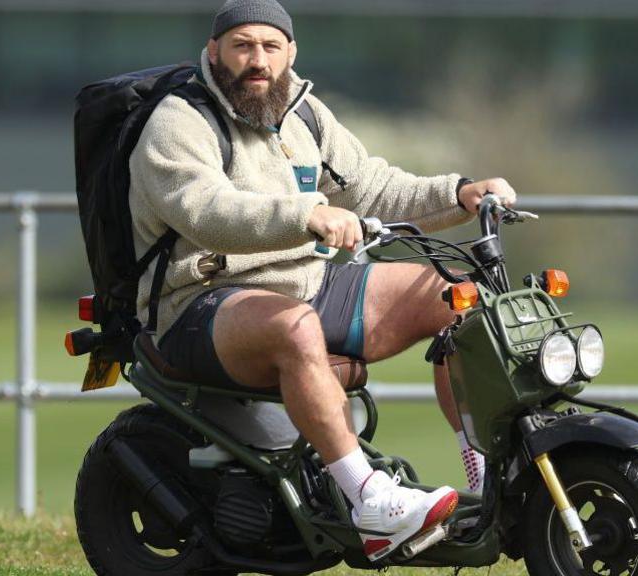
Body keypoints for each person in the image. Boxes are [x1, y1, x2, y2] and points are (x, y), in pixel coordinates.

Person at [128, 0, 517, 560]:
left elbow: (371, 188)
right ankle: (370, 504)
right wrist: (303, 214)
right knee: (295, 328)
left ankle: (483, 483)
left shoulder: (304, 116)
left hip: (305, 283)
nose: (256, 60)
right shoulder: (178, 122)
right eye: (242, 46)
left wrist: (458, 194)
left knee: (458, 295)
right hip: (201, 302)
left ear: (290, 52)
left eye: (269, 46)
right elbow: (205, 210)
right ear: (214, 52)